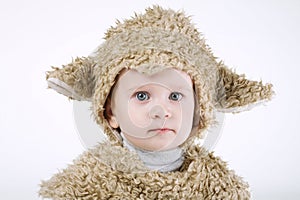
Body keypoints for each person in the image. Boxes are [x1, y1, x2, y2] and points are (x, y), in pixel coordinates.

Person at [40, 6, 273, 199]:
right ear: (110, 112)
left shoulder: (218, 187)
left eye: (175, 96)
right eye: (142, 96)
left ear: (199, 110)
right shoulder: (84, 185)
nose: (161, 111)